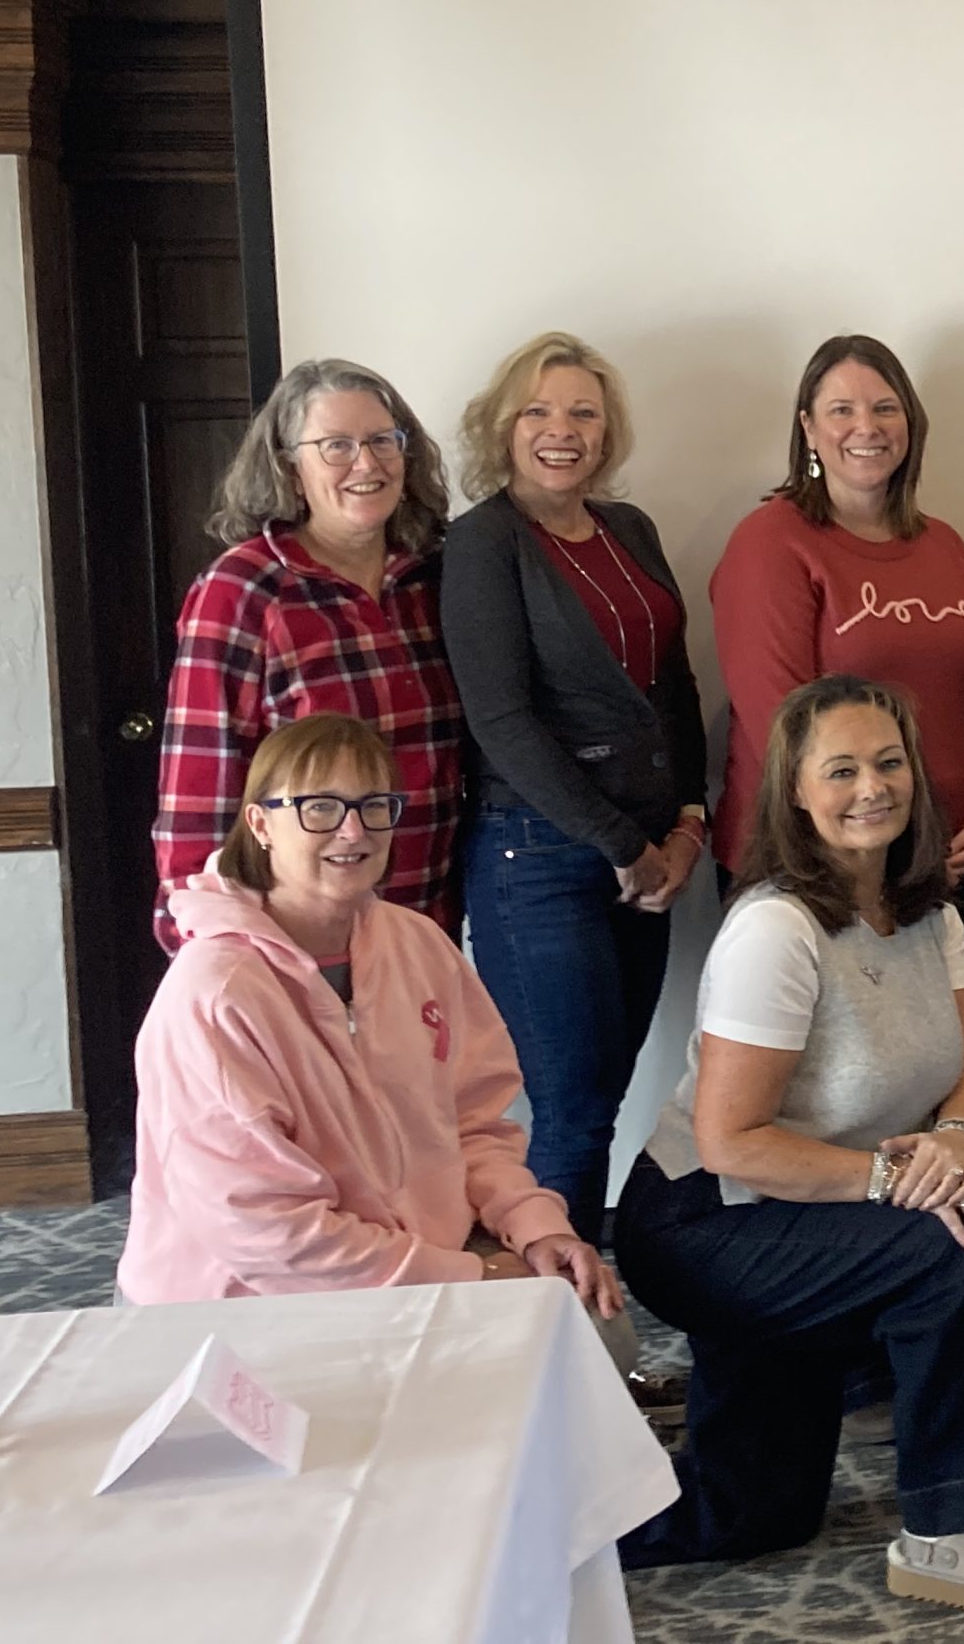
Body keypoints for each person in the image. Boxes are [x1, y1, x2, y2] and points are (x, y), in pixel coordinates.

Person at [612, 675, 964, 1612]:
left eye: (888, 762)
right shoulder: (775, 928)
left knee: (754, 1514)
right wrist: (900, 1179)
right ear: (795, 791)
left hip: (809, 1206)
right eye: (841, 770)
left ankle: (549, 1515)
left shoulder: (930, 912)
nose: (872, 787)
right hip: (706, 1221)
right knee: (953, 1244)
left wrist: (954, 1145)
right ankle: (953, 1530)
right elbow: (730, 1142)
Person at [120, 714, 618, 1315]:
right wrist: (470, 1278)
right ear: (261, 824)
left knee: (594, 1327)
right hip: (245, 1300)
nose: (353, 831)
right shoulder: (215, 993)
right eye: (320, 807)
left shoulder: (418, 944)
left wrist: (535, 1227)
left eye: (374, 806)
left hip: (413, 1261)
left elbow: (474, 1125)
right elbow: (261, 1226)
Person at [441, 332, 710, 1245]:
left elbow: (672, 687)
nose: (562, 430)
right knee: (572, 1106)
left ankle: (574, 1300)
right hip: (538, 857)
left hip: (647, 854)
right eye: (538, 411)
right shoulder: (483, 543)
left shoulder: (629, 531)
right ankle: (563, 1314)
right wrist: (623, 844)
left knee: (606, 1092)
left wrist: (687, 821)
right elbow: (501, 722)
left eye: (583, 413)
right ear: (503, 427)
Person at [712, 334, 964, 941]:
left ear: (910, 423)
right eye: (841, 410)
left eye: (884, 408)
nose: (867, 428)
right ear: (808, 427)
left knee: (949, 1011)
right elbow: (783, 725)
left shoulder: (944, 545)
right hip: (817, 869)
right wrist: (881, 847)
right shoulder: (771, 541)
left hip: (948, 859)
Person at [155, 359, 465, 945]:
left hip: (424, 928)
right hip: (295, 938)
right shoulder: (244, 590)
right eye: (336, 446)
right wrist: (202, 942)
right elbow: (198, 791)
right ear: (290, 469)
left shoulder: (433, 581)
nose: (366, 463)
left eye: (382, 441)